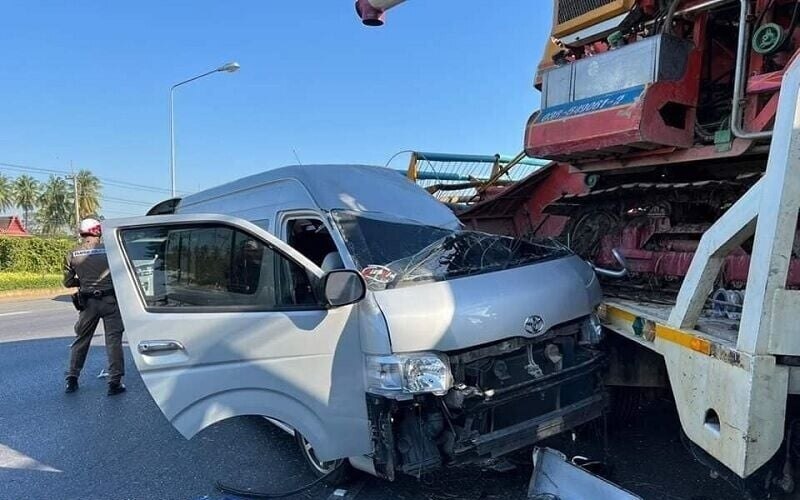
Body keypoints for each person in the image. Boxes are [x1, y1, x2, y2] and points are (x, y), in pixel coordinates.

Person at [63, 218, 126, 396]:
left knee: (81, 340)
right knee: (113, 341)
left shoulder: (72, 254)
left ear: (82, 233)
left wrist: (83, 281)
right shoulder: (111, 251)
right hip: (110, 302)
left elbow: (67, 282)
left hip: (87, 303)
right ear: (98, 231)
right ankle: (115, 382)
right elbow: (122, 275)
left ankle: (72, 379)